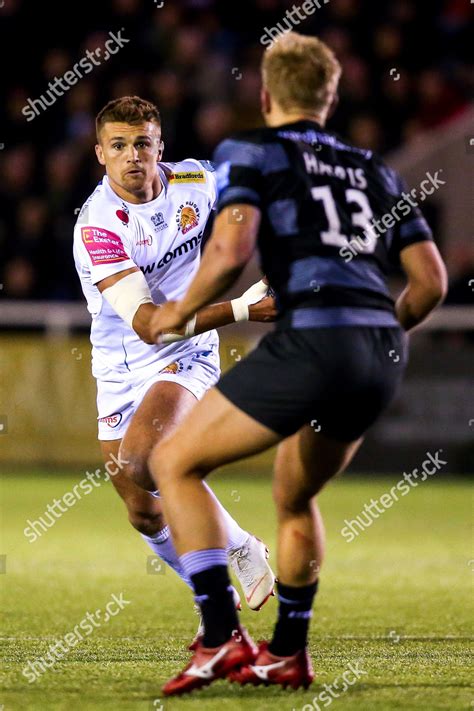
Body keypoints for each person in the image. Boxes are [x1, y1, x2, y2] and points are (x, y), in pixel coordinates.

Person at [145, 32, 448, 695]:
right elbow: (430, 283)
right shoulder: (376, 169)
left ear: (264, 94)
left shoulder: (251, 149)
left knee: (171, 462)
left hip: (313, 335)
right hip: (378, 350)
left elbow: (231, 249)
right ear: (330, 98)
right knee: (294, 492)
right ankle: (287, 651)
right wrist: (378, 333)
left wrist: (176, 312)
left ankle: (222, 635)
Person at [72, 96, 277, 627]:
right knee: (142, 510)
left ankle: (237, 550)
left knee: (146, 460)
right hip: (124, 357)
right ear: (100, 154)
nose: (133, 155)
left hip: (186, 350)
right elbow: (149, 325)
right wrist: (244, 308)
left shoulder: (194, 181)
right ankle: (218, 602)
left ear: (160, 145)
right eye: (119, 146)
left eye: (143, 142)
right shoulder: (98, 225)